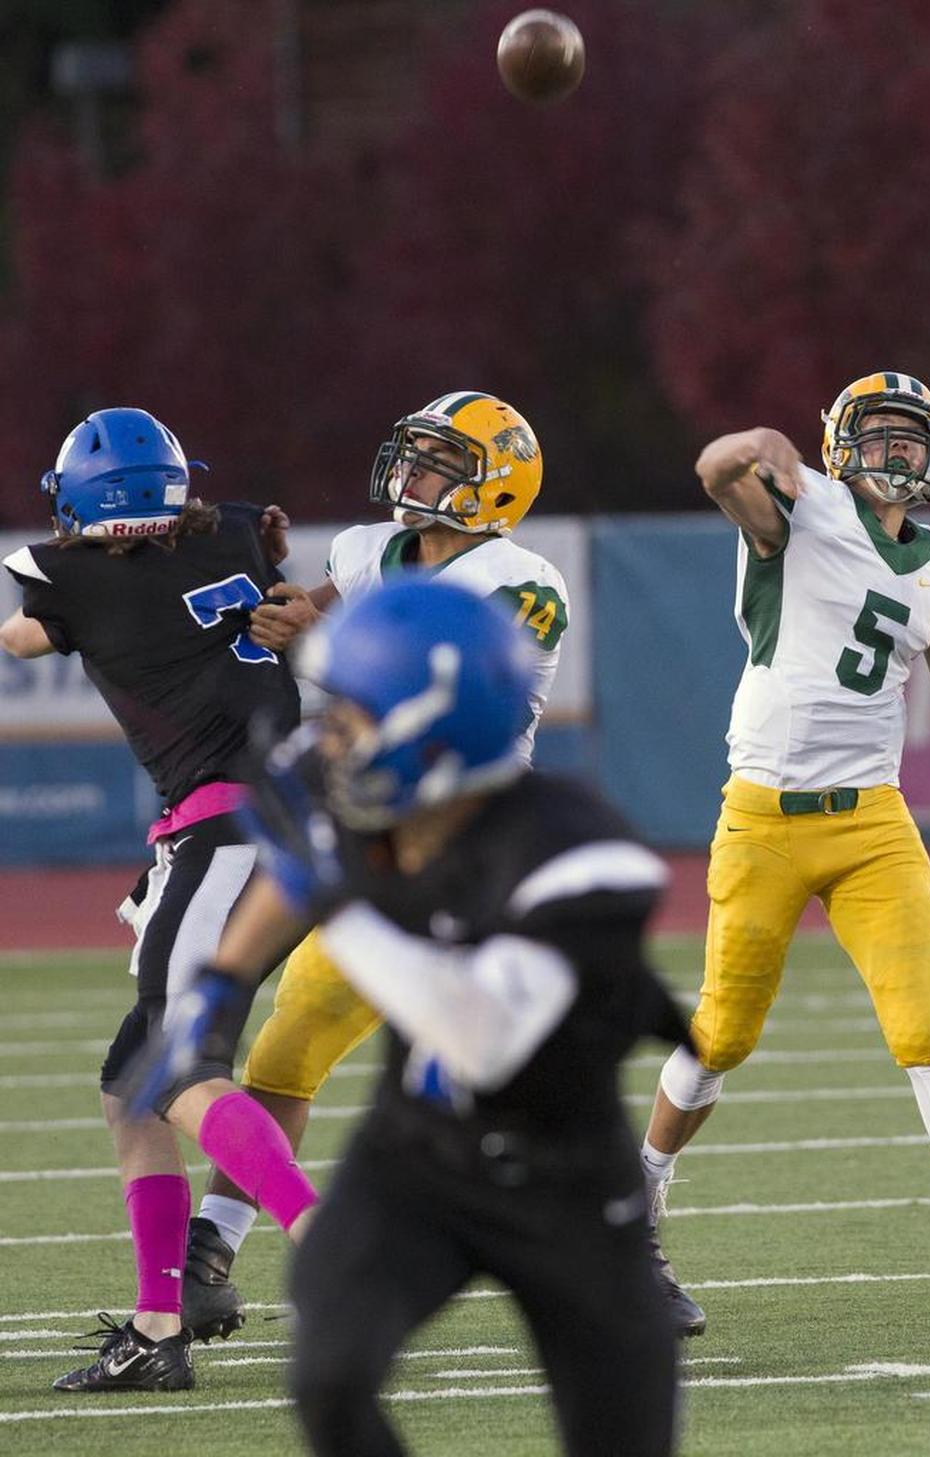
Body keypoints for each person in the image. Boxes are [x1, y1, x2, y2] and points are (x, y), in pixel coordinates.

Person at [141, 577, 684, 1457]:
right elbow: (295, 873)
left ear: (434, 721)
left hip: (566, 1178)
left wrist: (338, 898)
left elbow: (480, 1034)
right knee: (328, 1374)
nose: (333, 730)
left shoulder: (580, 850)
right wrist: (217, 986)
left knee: (621, 1436)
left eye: (355, 709)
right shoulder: (372, 805)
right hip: (417, 1155)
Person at [640, 370, 930, 1335]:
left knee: (920, 1028)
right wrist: (753, 439)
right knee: (723, 1034)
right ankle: (640, 1196)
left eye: (914, 438)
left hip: (872, 821)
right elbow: (712, 473)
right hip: (763, 816)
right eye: (884, 433)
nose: (900, 451)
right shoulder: (804, 506)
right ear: (841, 442)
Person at [181, 390, 571, 1343]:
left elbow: (429, 694)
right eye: (418, 456)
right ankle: (210, 1249)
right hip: (362, 831)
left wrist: (310, 645)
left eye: (441, 464)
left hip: (461, 850)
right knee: (289, 1041)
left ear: (494, 487)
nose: (415, 476)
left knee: (498, 1083)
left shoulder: (520, 582)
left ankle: (623, 1251)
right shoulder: (368, 549)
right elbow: (309, 618)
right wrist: (267, 600)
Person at [0, 408, 320, 1393]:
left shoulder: (73, 579)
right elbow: (242, 546)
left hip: (228, 831)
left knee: (177, 1066)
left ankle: (337, 1245)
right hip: (287, 822)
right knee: (131, 1078)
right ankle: (157, 1322)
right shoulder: (228, 529)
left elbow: (24, 636)